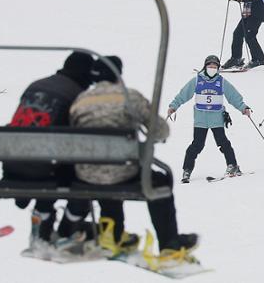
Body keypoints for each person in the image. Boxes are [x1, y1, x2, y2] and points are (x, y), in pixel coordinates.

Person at [69, 56, 198, 265]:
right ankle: (169, 245)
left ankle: (113, 235)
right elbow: (160, 130)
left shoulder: (81, 100)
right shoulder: (129, 97)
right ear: (118, 75)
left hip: (87, 175)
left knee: (102, 175)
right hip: (122, 172)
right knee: (159, 180)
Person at [2, 52, 94, 253]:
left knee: (50, 163)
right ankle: (69, 226)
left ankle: (41, 227)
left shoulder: (36, 85)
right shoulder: (78, 95)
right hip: (43, 168)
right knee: (78, 171)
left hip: (11, 164)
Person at [167, 55, 252, 182]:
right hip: (200, 120)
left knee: (223, 143)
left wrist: (243, 107)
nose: (212, 68)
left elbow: (233, 96)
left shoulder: (221, 81)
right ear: (205, 67)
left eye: (214, 66)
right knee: (197, 145)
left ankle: (233, 165)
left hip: (216, 119)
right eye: (210, 66)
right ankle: (187, 170)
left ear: (218, 68)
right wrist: (174, 106)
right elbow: (184, 94)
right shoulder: (197, 80)